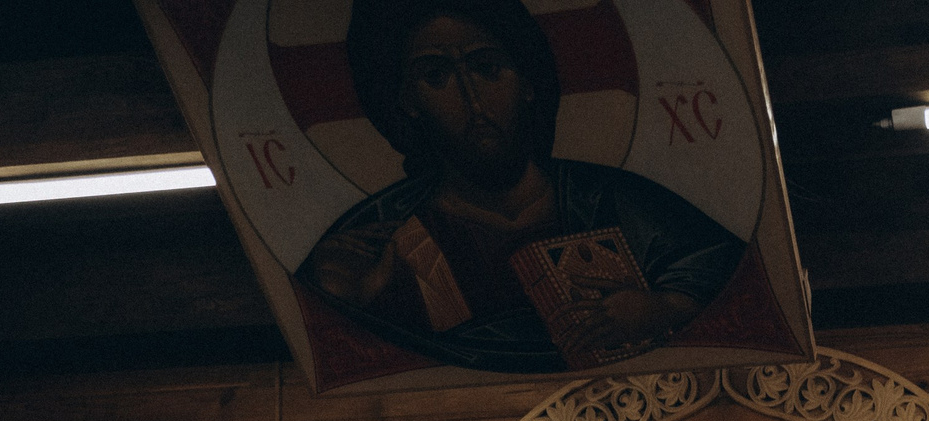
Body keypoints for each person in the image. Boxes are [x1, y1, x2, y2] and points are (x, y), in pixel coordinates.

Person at [302, 0, 746, 373]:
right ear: (405, 101)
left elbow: (733, 276)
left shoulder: (613, 201)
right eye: (436, 75)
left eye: (487, 67)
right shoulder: (380, 237)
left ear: (528, 82)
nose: (471, 97)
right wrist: (346, 304)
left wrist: (663, 309)